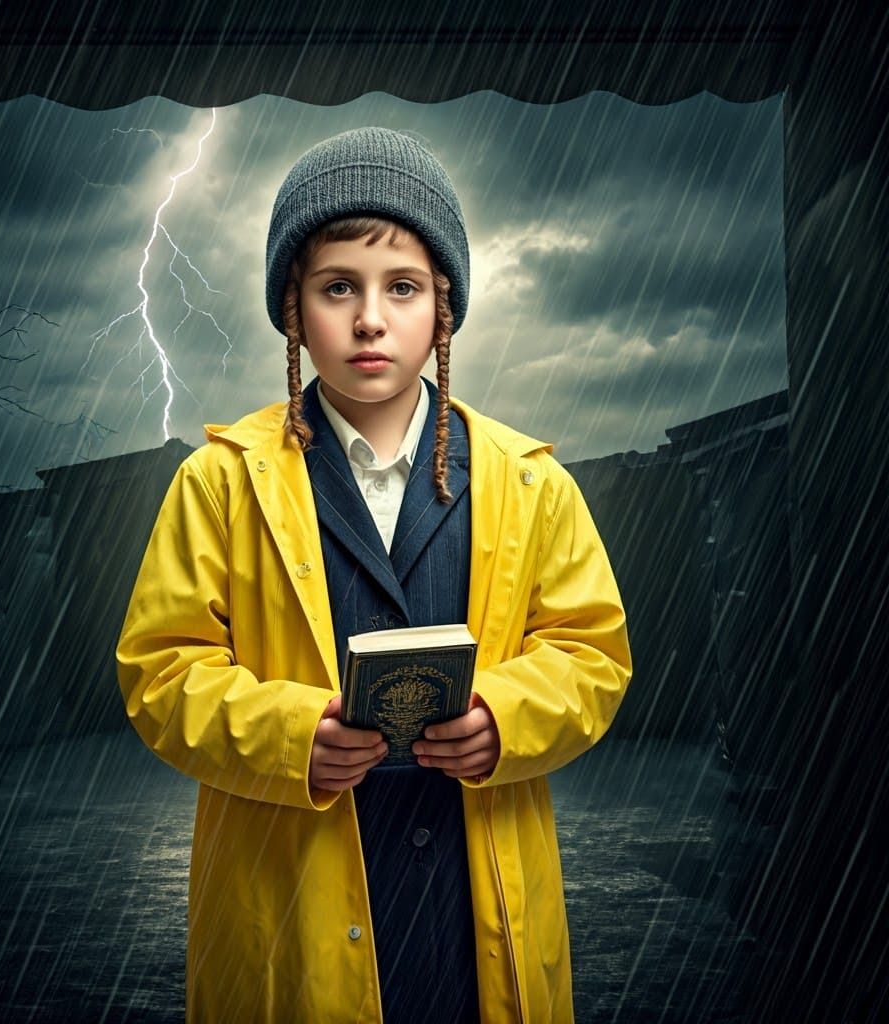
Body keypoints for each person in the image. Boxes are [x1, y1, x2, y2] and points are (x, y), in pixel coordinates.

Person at [116, 126, 633, 1024]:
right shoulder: (219, 484)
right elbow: (161, 674)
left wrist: (503, 721)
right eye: (336, 288)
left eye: (402, 288)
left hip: (476, 910)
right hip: (292, 906)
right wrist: (289, 738)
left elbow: (593, 656)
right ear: (293, 310)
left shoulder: (528, 479)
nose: (368, 319)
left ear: (444, 308)